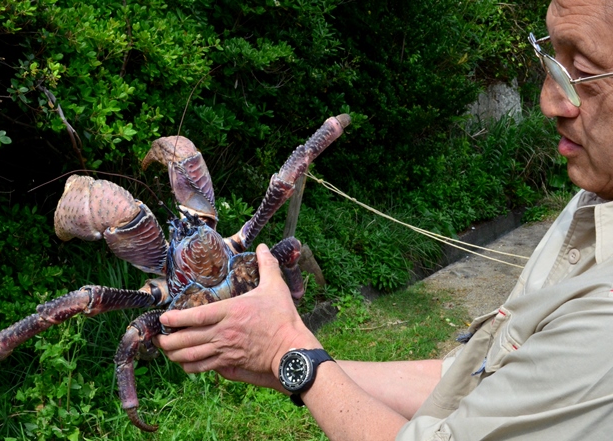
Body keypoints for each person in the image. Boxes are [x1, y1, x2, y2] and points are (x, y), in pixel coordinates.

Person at [155, 0, 613, 438]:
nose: (550, 101)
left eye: (586, 73)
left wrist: (286, 345)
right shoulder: (593, 203)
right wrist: (272, 358)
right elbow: (464, 383)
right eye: (551, 59)